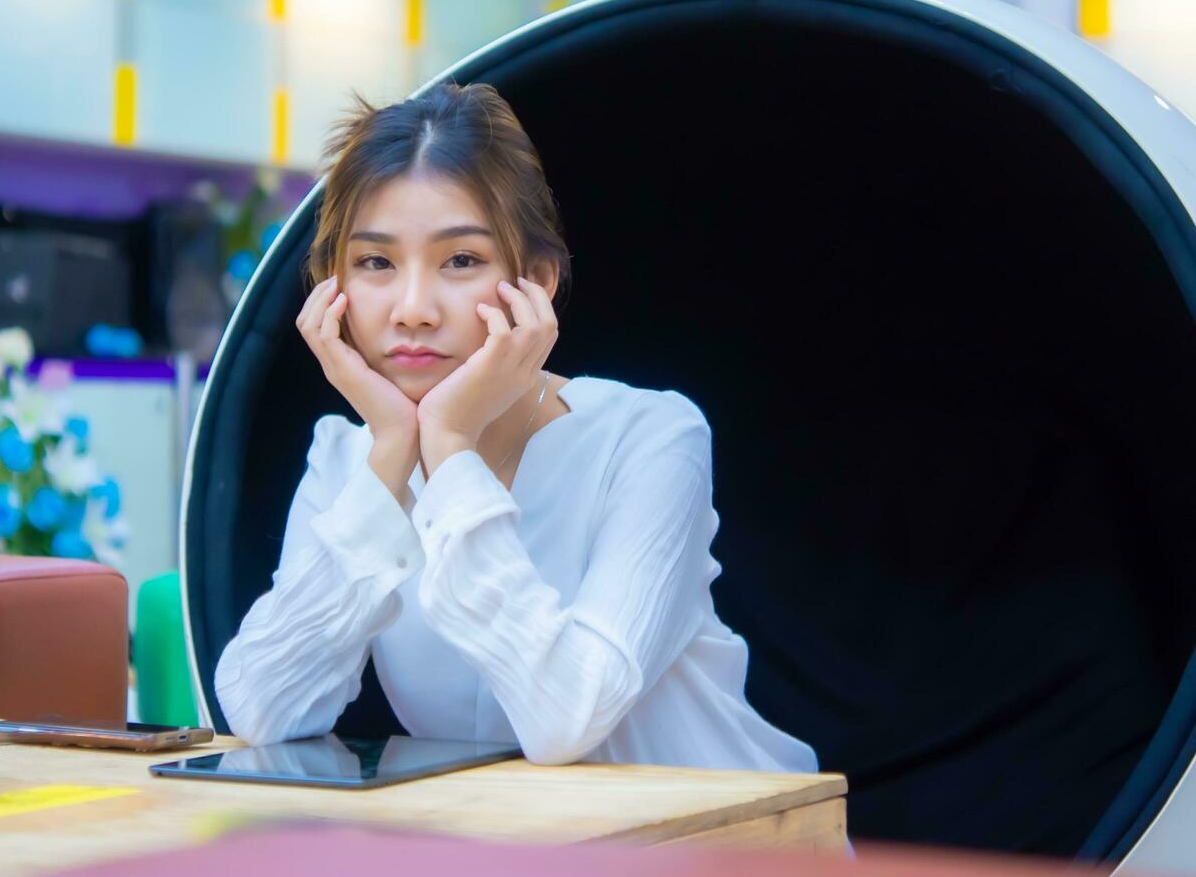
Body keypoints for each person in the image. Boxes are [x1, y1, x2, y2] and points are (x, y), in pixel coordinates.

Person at [214, 82, 819, 774]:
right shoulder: (348, 458)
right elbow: (261, 713)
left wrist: (447, 447)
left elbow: (567, 720)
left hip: (728, 847)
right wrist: (391, 453)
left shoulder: (651, 437)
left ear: (535, 280)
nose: (412, 309)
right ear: (332, 288)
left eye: (461, 261)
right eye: (375, 262)